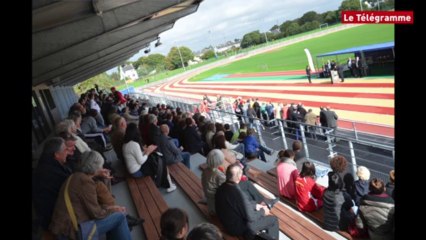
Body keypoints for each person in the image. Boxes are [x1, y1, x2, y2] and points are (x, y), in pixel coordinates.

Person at [49, 150, 132, 239]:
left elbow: (101, 201)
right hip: (71, 231)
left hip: (65, 227)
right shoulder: (84, 182)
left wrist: (103, 178)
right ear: (95, 167)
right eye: (101, 166)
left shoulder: (76, 176)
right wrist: (112, 209)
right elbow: (97, 214)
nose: (102, 167)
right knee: (120, 216)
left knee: (115, 214)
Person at [215, 163, 279, 239]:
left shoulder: (221, 188)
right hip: (237, 228)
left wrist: (255, 205)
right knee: (273, 220)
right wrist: (263, 211)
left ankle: (251, 235)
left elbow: (238, 205)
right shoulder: (238, 193)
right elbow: (251, 217)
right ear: (239, 176)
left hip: (227, 224)